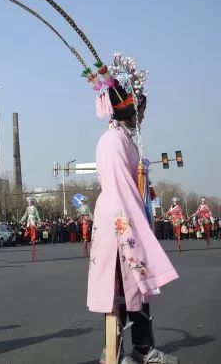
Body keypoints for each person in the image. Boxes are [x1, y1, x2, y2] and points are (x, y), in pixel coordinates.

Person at [86, 55, 179, 363]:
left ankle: (141, 347)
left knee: (138, 286)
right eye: (141, 107)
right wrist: (137, 227)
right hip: (119, 223)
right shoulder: (112, 141)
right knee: (120, 291)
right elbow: (121, 191)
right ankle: (112, 352)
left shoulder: (126, 140)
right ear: (131, 107)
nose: (144, 114)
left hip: (127, 220)